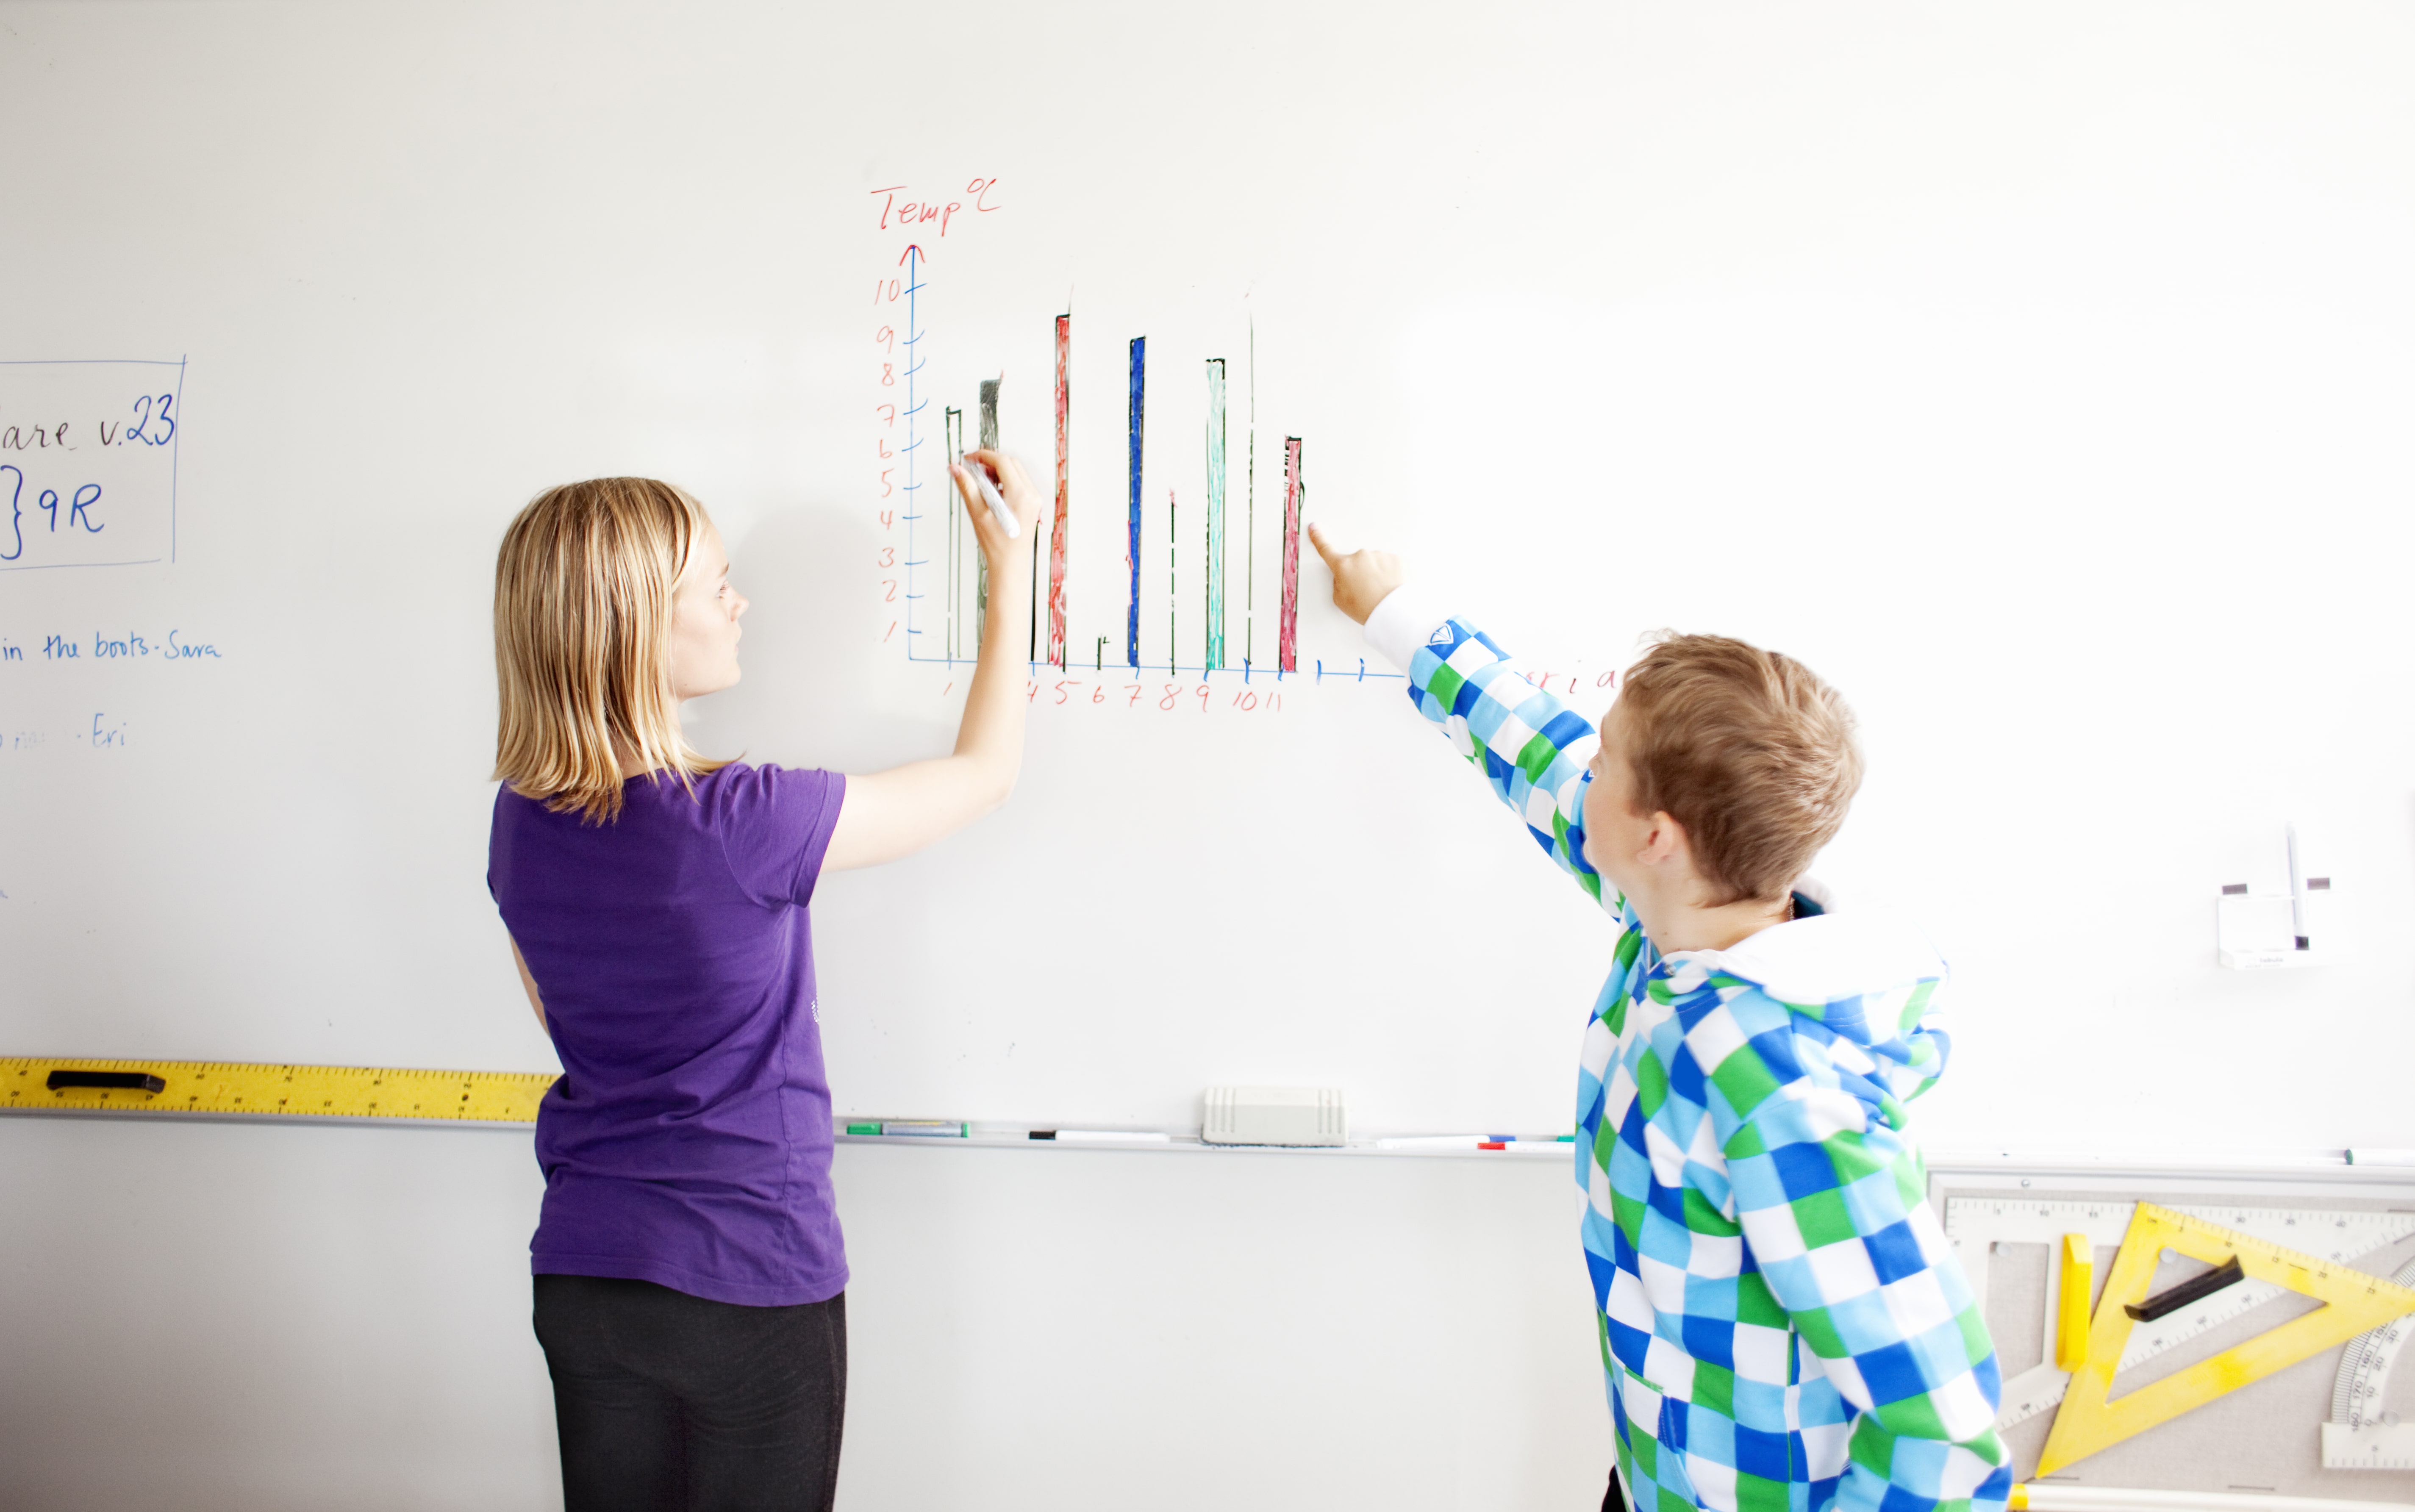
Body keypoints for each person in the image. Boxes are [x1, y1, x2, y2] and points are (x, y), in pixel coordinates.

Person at [1309, 527, 2011, 1512]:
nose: (1582, 771)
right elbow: (1541, 756)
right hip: (1657, 1477)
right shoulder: (1688, 927)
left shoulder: (1771, 1080)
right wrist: (1398, 617)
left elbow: (1944, 1433)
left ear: (1656, 836)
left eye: (1604, 763)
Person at [487, 454, 1040, 1512]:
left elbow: (568, 1023)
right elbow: (987, 775)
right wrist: (1011, 572)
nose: (742, 603)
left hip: (587, 1275)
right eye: (716, 584)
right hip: (745, 1276)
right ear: (638, 625)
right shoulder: (745, 821)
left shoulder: (521, 821)